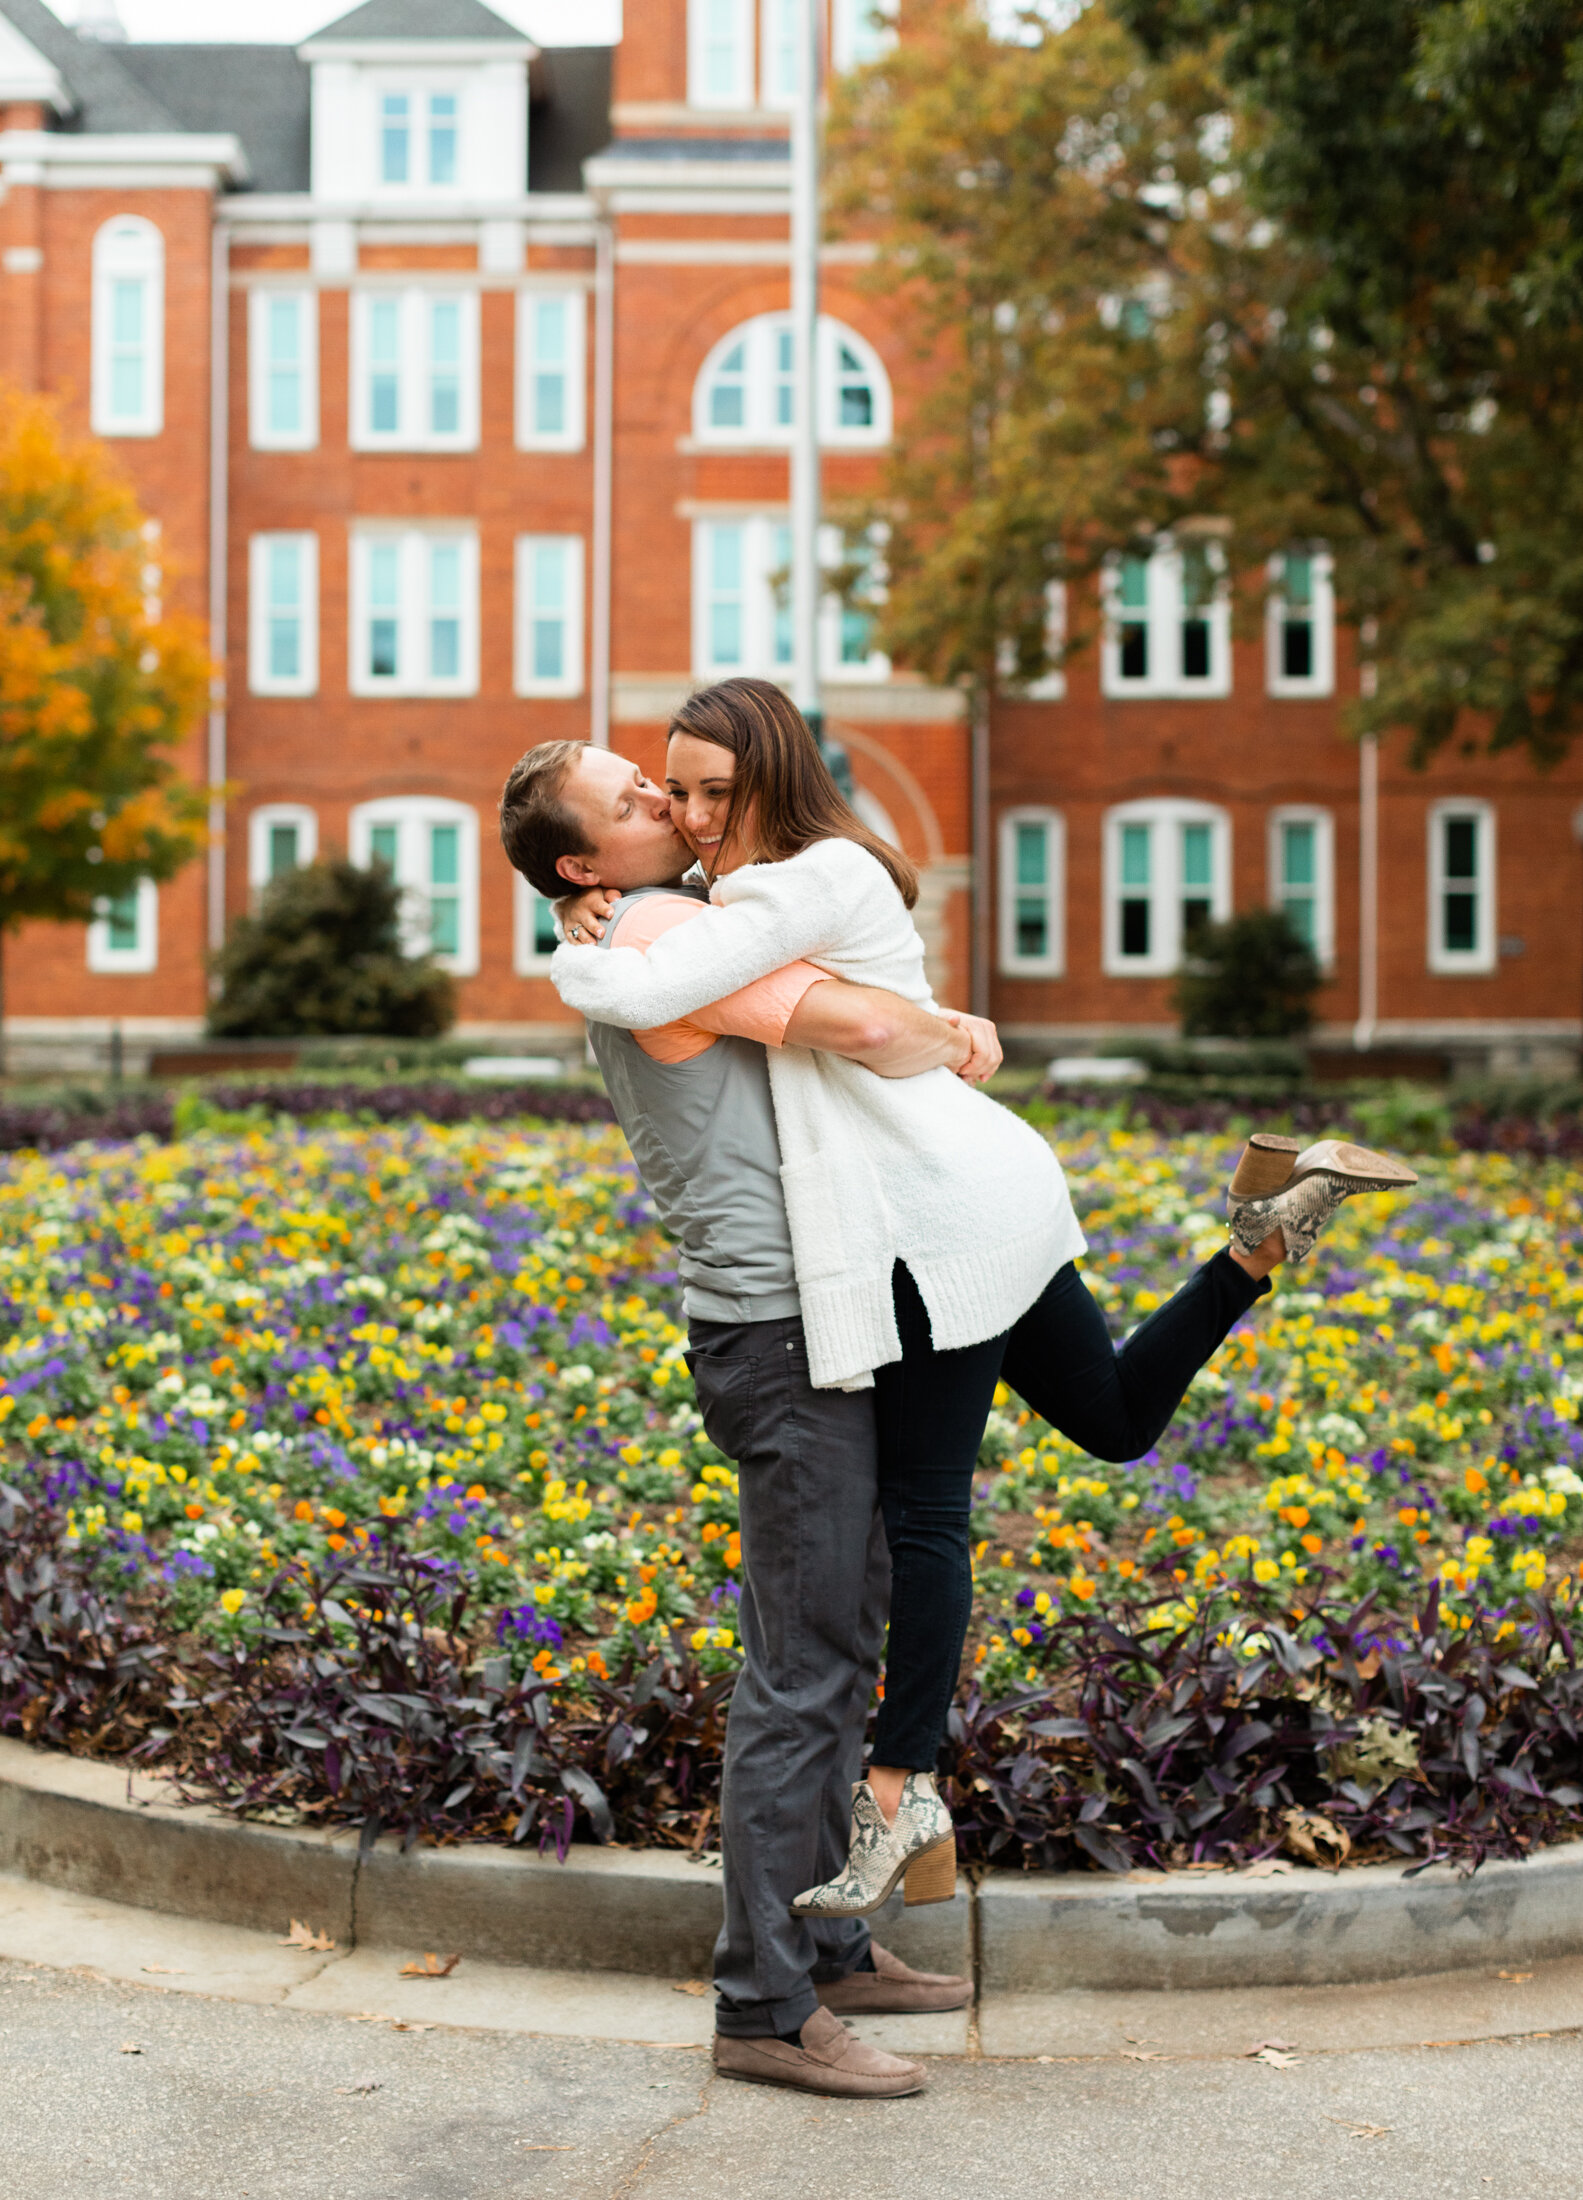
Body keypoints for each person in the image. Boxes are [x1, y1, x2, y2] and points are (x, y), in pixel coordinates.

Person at [550, 677, 1417, 1925]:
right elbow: (699, 940)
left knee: (923, 1519)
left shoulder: (793, 885)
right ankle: (1259, 1238)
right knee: (1115, 1418)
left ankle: (897, 1791)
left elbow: (649, 988)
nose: (685, 813)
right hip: (985, 1185)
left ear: (773, 779)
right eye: (670, 789)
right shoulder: (771, 883)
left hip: (931, 1229)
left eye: (709, 792)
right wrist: (634, 907)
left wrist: (572, 943)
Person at [499, 736, 993, 2101]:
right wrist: (953, 1032)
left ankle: (824, 1949)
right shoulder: (657, 929)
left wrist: (569, 915)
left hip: (800, 1322)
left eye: (653, 778)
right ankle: (763, 2008)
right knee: (802, 1661)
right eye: (627, 797)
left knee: (838, 1629)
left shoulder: (649, 922)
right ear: (585, 864)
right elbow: (858, 1025)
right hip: (776, 1339)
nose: (659, 796)